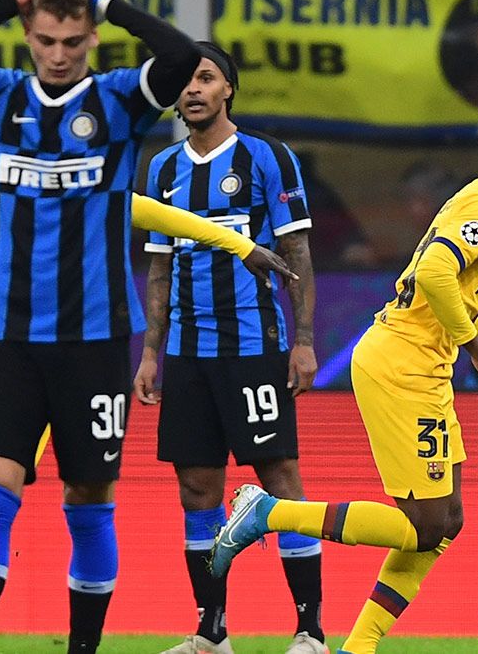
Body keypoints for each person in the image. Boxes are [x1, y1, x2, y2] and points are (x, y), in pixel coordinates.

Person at [0, 0, 291, 651]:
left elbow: (174, 55)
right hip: (7, 337)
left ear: (93, 40)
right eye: (46, 41)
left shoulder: (117, 100)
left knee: (87, 503)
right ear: (29, 38)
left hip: (93, 343)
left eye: (73, 41)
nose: (58, 55)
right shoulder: (1, 96)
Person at [207, 99, 478, 654]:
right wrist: (475, 346)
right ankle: (267, 511)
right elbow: (432, 271)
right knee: (423, 525)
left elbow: (445, 296)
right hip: (402, 365)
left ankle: (360, 646)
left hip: (420, 362)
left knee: (446, 522)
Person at [134, 43, 326, 654]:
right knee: (197, 488)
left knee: (280, 478)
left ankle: (310, 631)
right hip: (188, 355)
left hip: (253, 345)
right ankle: (211, 633)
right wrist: (150, 354)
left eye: (206, 79)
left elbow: (297, 254)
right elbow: (159, 271)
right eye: (185, 82)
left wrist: (302, 341)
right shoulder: (162, 170)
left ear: (228, 91)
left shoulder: (268, 157)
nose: (193, 90)